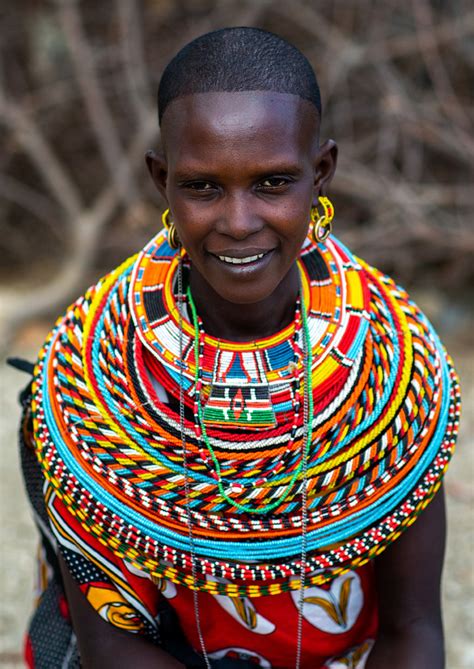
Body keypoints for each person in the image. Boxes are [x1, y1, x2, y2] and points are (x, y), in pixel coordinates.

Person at [17, 27, 460, 669]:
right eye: (202, 187)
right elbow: (110, 642)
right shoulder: (90, 378)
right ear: (161, 180)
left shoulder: (394, 372)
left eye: (274, 183)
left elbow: (413, 630)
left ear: (321, 173)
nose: (239, 221)